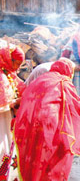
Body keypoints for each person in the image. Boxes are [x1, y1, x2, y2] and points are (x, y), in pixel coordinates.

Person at [13, 57, 80, 181]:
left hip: (28, 122)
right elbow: (77, 104)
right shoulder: (63, 82)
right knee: (53, 156)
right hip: (50, 127)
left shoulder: (41, 79)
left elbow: (26, 96)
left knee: (33, 154)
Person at [0, 40, 25, 180]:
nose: (17, 67)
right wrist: (14, 102)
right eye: (16, 63)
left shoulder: (6, 73)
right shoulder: (2, 76)